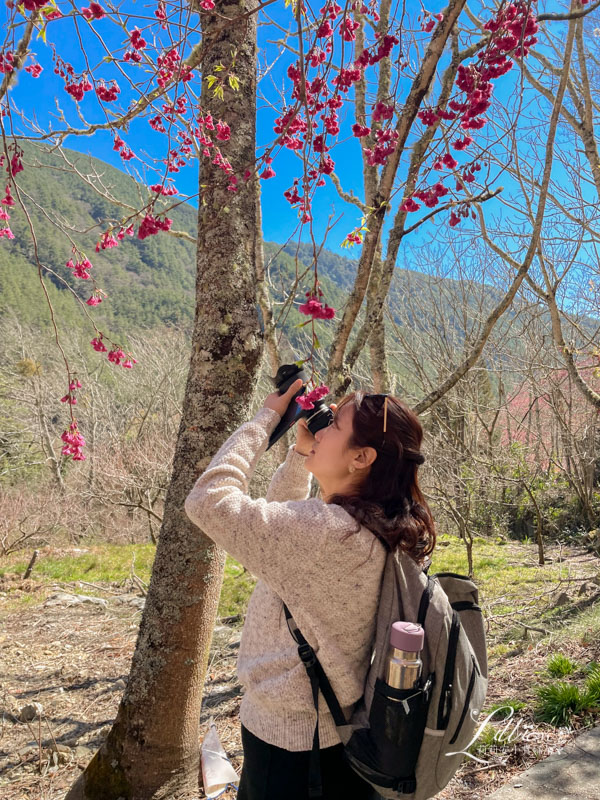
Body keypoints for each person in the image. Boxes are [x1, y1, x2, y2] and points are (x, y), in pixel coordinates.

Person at [184, 379, 436, 800]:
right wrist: (302, 453)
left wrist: (265, 419)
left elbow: (208, 500)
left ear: (361, 457)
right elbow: (277, 540)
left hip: (292, 750)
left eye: (334, 426)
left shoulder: (326, 532)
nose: (321, 430)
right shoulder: (371, 523)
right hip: (329, 733)